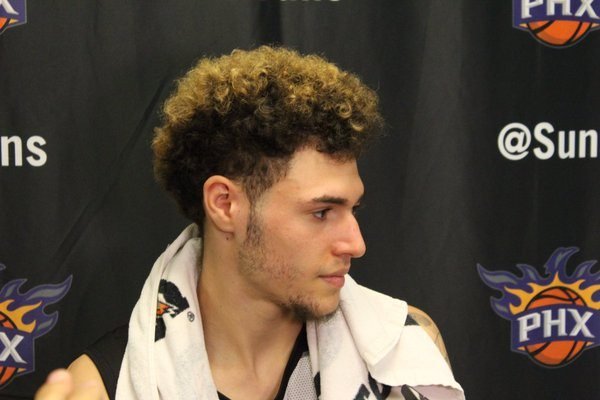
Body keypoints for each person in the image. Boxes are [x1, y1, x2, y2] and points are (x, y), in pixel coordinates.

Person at [35, 46, 464, 400]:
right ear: (225, 205)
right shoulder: (106, 387)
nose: (355, 244)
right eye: (321, 213)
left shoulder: (406, 349)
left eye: (353, 209)